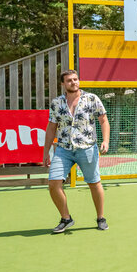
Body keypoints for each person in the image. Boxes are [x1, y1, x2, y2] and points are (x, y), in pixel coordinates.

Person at [43, 70, 110, 234]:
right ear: (63, 84)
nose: (73, 82)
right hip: (63, 149)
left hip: (87, 148)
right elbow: (51, 127)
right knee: (53, 183)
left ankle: (101, 218)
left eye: (75, 79)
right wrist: (46, 152)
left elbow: (103, 120)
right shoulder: (56, 103)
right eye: (69, 80)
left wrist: (106, 141)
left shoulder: (92, 98)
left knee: (94, 183)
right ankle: (66, 218)